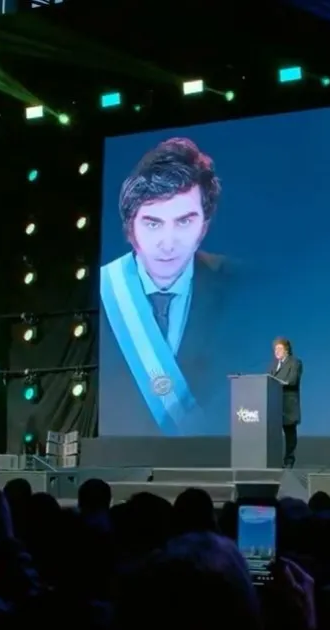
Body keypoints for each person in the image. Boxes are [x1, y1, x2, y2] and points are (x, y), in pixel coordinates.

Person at [100, 137, 235, 437]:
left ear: (204, 225)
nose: (168, 243)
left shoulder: (238, 285)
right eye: (152, 223)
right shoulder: (106, 290)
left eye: (184, 221)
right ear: (130, 228)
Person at [270, 338, 303, 468]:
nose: (276, 352)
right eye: (275, 349)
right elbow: (268, 380)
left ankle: (289, 461)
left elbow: (293, 380)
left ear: (287, 350)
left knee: (290, 434)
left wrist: (277, 383)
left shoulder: (295, 362)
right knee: (273, 434)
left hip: (288, 405)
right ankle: (273, 460)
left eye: (279, 349)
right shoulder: (273, 365)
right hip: (274, 404)